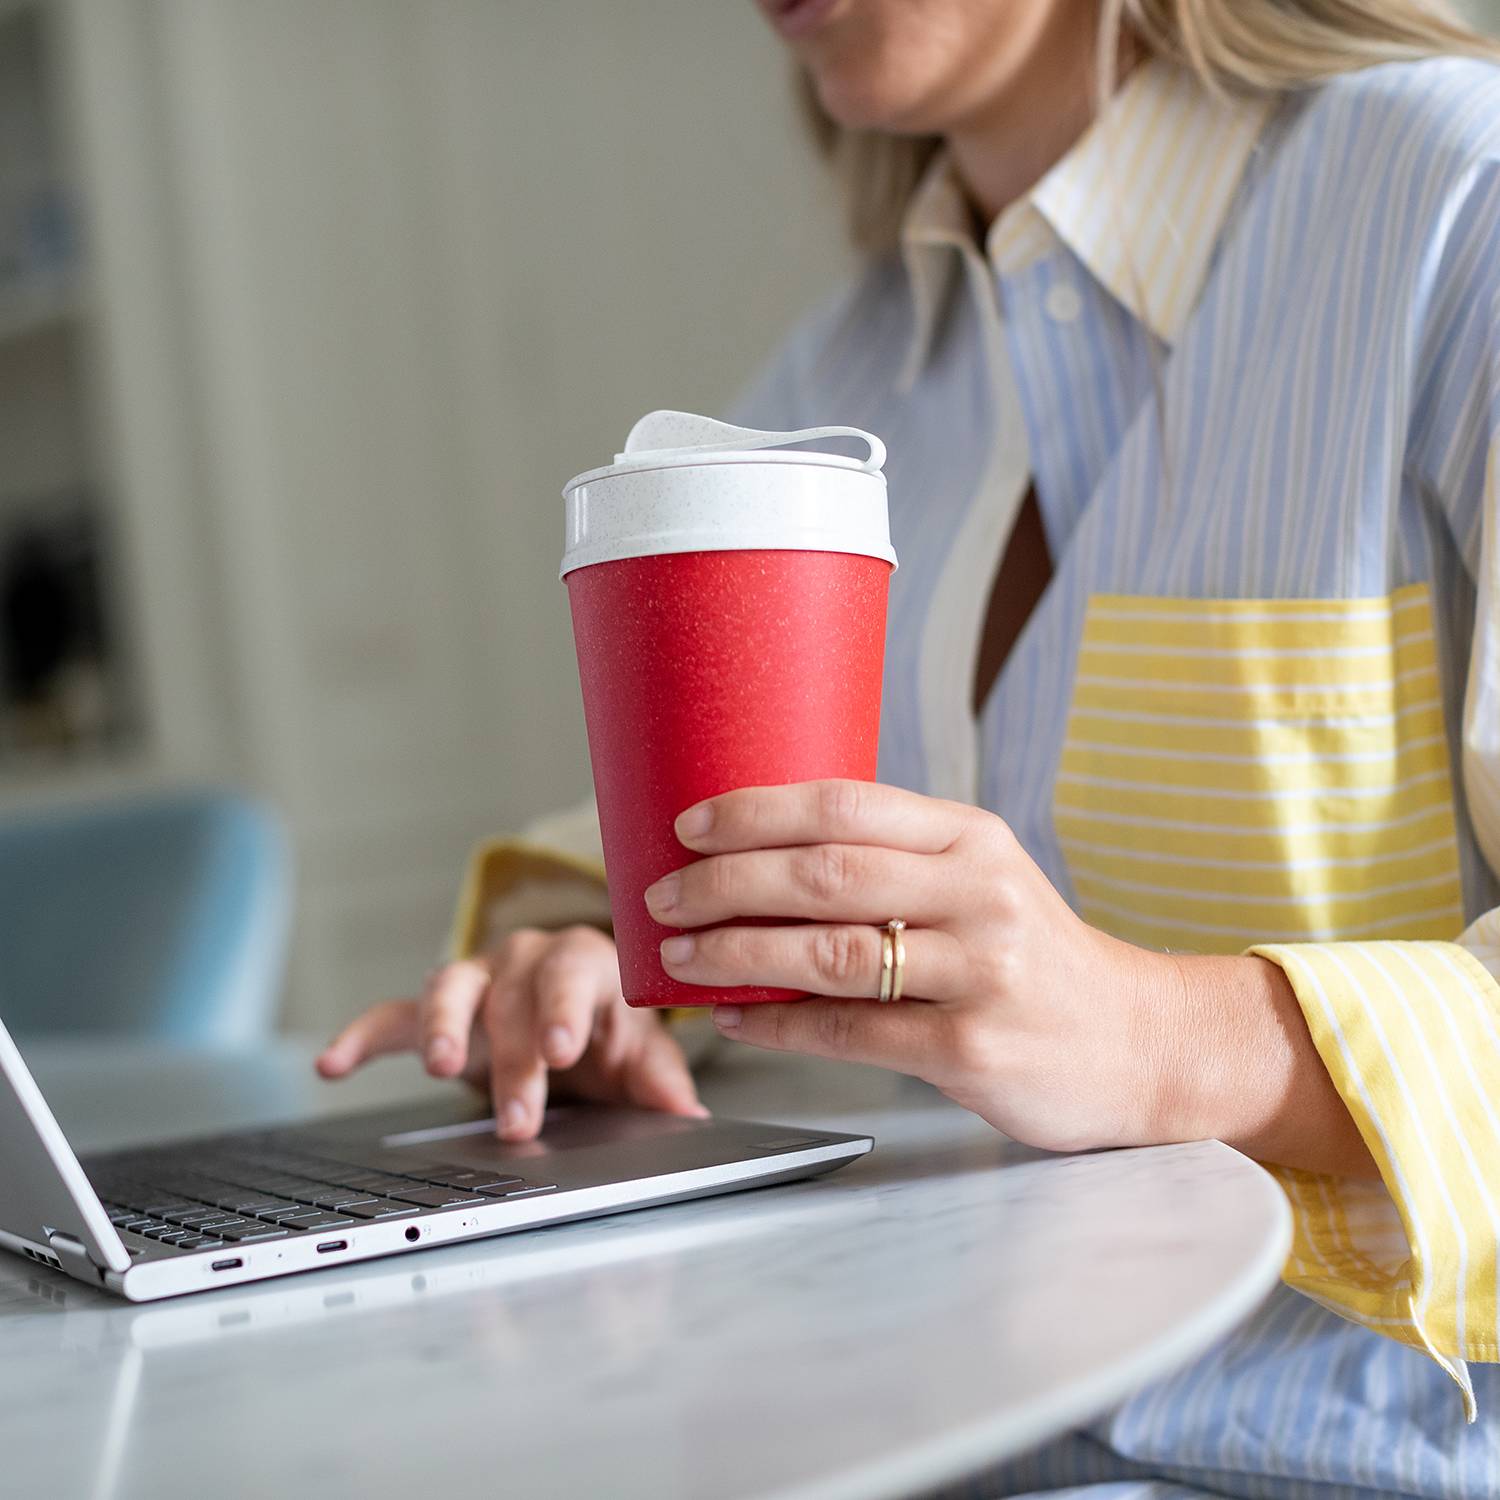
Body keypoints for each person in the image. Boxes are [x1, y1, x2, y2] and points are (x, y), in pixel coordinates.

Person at [320, 0, 1500, 1487]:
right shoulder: (855, 377)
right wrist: (592, 953)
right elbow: (701, 827)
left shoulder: (1461, 201)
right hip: (925, 1418)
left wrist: (1148, 1037)